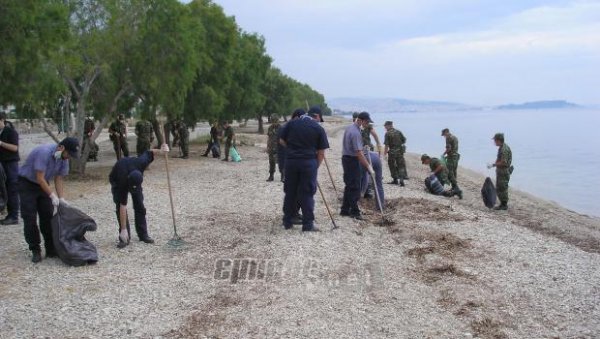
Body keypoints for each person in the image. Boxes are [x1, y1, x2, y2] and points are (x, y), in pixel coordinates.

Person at [18, 137, 80, 263]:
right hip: (27, 183)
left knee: (47, 216)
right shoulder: (44, 153)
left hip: (42, 184)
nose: (69, 157)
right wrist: (52, 195)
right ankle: (35, 249)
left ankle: (50, 248)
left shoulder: (63, 158)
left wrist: (61, 198)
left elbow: (59, 178)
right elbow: (39, 177)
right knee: (29, 218)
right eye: (69, 154)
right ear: (61, 148)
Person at [110, 143, 170, 248]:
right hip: (116, 179)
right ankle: (124, 236)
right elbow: (123, 206)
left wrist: (161, 151)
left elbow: (150, 152)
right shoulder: (122, 181)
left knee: (139, 204)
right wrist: (123, 230)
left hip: (133, 176)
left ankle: (143, 234)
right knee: (119, 203)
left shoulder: (141, 162)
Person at [279, 109, 329, 231]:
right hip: (308, 162)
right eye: (319, 119)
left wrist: (291, 149)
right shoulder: (318, 128)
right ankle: (307, 224)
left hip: (291, 161)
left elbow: (281, 140)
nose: (319, 121)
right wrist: (315, 166)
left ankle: (287, 221)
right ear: (316, 116)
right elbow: (321, 153)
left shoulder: (292, 123)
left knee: (290, 191)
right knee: (307, 193)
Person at [341, 112, 376, 220]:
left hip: (346, 158)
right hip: (351, 160)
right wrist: (369, 167)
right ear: (360, 120)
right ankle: (355, 211)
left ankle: (345, 210)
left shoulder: (350, 128)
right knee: (355, 186)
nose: (367, 124)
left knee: (349, 185)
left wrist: (363, 147)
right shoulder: (355, 132)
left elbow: (356, 148)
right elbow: (359, 154)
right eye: (366, 122)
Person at [0, 113, 20, 225]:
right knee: (4, 189)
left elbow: (15, 148)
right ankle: (7, 213)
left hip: (10, 164)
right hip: (1, 164)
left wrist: (1, 143)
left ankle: (14, 216)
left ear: (2, 120)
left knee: (12, 188)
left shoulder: (11, 132)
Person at [488, 133, 513, 210]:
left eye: (495, 140)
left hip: (504, 171)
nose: (494, 142)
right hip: (501, 171)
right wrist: (495, 164)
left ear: (499, 140)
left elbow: (504, 162)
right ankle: (502, 203)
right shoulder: (501, 148)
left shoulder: (504, 149)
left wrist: (493, 164)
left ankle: (504, 205)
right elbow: (500, 159)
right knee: (499, 187)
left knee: (502, 187)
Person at [383, 121, 407, 186]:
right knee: (400, 165)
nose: (385, 127)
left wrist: (384, 154)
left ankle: (395, 180)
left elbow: (386, 145)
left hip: (392, 152)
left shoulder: (387, 134)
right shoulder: (399, 132)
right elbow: (404, 140)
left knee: (392, 165)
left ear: (389, 125)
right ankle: (401, 179)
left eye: (385, 126)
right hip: (400, 151)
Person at [442, 128, 462, 198]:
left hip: (451, 157)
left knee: (449, 173)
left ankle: (457, 189)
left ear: (447, 132)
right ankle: (454, 188)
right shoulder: (455, 137)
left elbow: (449, 148)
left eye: (444, 134)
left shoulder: (449, 138)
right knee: (454, 172)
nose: (444, 136)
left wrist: (443, 154)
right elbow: (455, 148)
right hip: (456, 157)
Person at [266, 116, 282, 181]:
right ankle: (271, 176)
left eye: (275, 121)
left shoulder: (281, 128)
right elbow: (269, 137)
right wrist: (267, 146)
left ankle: (283, 176)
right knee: (271, 162)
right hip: (271, 147)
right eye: (273, 122)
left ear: (278, 121)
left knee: (281, 162)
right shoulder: (270, 128)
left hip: (279, 147)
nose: (274, 123)